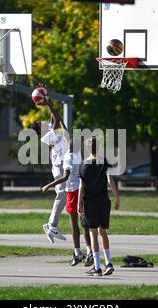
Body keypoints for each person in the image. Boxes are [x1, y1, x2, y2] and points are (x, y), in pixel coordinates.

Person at [41, 137, 94, 267]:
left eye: (70, 140)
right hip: (82, 190)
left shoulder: (68, 157)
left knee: (74, 224)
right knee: (84, 224)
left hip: (72, 191)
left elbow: (65, 176)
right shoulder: (78, 156)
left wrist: (49, 185)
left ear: (71, 145)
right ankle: (89, 252)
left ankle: (77, 253)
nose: (68, 140)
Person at [31, 85, 68, 243]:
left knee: (63, 195)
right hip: (59, 166)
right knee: (63, 195)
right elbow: (58, 119)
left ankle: (52, 225)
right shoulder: (45, 136)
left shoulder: (48, 130)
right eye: (41, 123)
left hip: (59, 163)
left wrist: (48, 100)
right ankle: (52, 225)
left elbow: (54, 118)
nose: (44, 122)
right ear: (41, 130)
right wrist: (48, 103)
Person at [78, 137, 120, 276]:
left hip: (90, 202)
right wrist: (117, 197)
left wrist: (79, 204)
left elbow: (81, 186)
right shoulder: (104, 162)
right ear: (99, 147)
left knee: (93, 233)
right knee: (103, 233)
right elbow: (110, 180)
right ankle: (108, 263)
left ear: (88, 148)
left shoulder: (83, 164)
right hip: (103, 201)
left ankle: (97, 267)